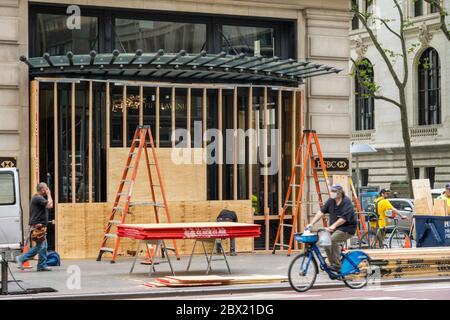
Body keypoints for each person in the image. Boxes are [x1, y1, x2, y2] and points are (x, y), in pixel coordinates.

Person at [306, 185, 356, 272]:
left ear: (340, 193)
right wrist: (311, 223)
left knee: (333, 240)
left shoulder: (346, 202)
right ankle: (333, 263)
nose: (332, 193)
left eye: (334, 192)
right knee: (325, 242)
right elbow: (321, 212)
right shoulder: (331, 201)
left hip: (347, 229)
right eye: (331, 191)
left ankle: (337, 265)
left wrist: (333, 226)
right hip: (335, 228)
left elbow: (343, 219)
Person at [16, 182, 53, 272]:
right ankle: (21, 258)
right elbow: (50, 205)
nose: (47, 190)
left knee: (43, 246)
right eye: (46, 189)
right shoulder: (38, 198)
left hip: (39, 226)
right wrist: (49, 194)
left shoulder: (38, 198)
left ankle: (41, 265)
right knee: (41, 246)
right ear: (43, 190)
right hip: (38, 227)